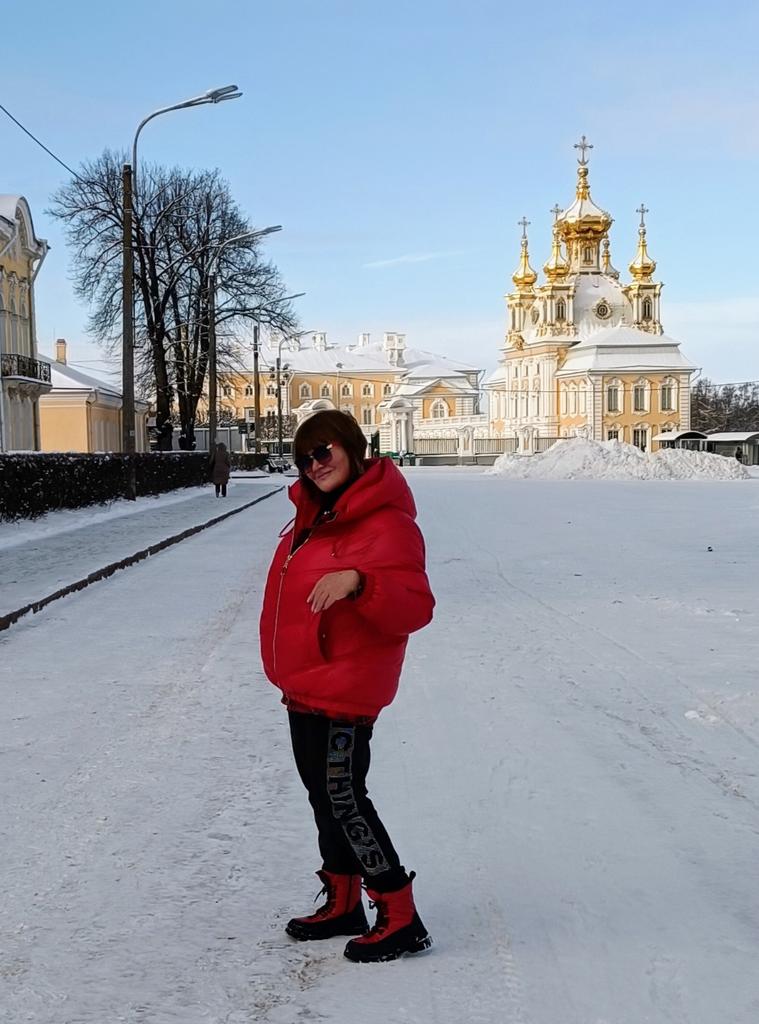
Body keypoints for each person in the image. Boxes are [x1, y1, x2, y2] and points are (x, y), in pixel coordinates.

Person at [259, 410, 435, 963]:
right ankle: (343, 903)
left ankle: (400, 914)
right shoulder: (316, 516)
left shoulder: (388, 523)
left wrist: (361, 581)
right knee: (323, 797)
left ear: (354, 449)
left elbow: (415, 607)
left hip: (346, 688)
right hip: (305, 683)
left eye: (324, 451)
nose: (314, 465)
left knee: (344, 797)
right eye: (304, 458)